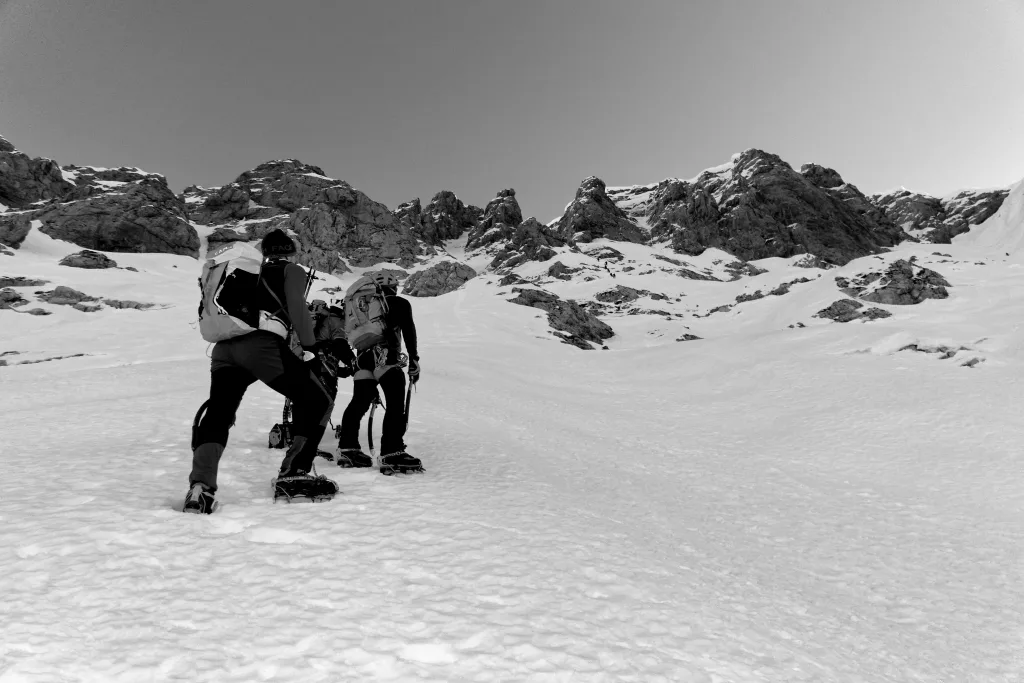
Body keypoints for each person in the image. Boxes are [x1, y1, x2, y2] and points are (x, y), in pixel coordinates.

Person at [183, 229, 338, 513]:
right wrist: (310, 349)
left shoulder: (246, 272)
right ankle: (294, 472)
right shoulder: (291, 270)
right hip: (259, 348)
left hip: (223, 349)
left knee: (219, 412)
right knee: (317, 399)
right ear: (291, 251)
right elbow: (297, 308)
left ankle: (200, 488)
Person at [336, 271, 422, 473]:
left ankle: (348, 448)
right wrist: (414, 359)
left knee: (358, 403)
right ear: (393, 287)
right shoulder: (398, 303)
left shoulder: (362, 306)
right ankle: (391, 452)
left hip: (363, 359)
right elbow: (408, 329)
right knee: (394, 403)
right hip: (385, 357)